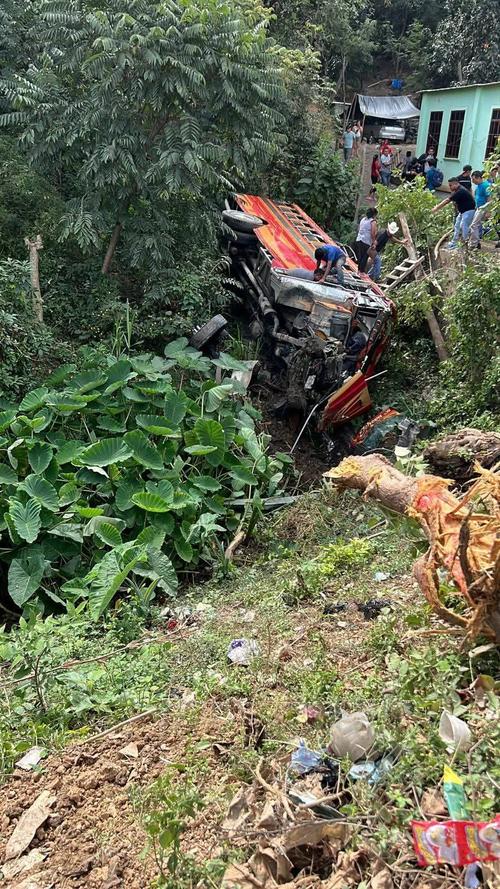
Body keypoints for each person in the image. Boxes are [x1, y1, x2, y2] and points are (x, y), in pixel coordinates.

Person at [431, 177, 476, 248]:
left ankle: (465, 243)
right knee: (457, 226)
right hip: (463, 211)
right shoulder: (458, 189)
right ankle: (454, 242)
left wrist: (436, 208)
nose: (449, 187)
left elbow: (447, 200)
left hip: (468, 211)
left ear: (455, 184)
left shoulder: (460, 191)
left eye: (450, 185)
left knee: (463, 226)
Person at [468, 170, 492, 248]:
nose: (472, 181)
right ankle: (477, 243)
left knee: (473, 225)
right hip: (479, 208)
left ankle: (473, 244)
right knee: (477, 225)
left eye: (473, 179)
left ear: (478, 178)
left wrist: (488, 211)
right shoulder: (479, 185)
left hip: (483, 208)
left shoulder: (486, 185)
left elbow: (489, 198)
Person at [355, 208, 377, 272]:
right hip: (366, 241)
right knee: (365, 256)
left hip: (359, 239)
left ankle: (359, 271)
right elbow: (372, 233)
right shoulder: (373, 222)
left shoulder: (363, 219)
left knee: (360, 257)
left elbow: (359, 229)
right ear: (374, 215)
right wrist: (373, 242)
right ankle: (361, 272)